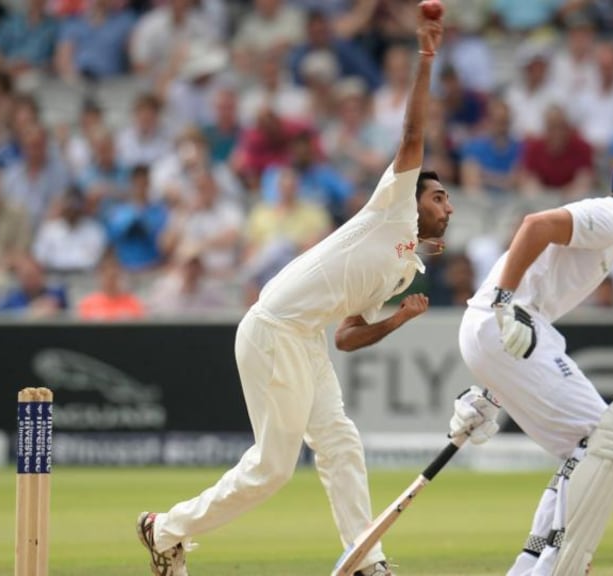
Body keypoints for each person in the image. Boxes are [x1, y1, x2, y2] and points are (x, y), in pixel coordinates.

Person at [136, 13, 451, 576]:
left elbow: (348, 336)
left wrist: (399, 320)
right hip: (274, 327)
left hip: (304, 337)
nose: (446, 206)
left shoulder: (405, 271)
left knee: (340, 444)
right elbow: (412, 137)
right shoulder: (393, 206)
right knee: (273, 469)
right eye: (439, 197)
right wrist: (426, 56)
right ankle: (165, 529)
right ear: (414, 198)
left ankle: (364, 560)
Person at [449, 145, 613, 575]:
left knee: (585, 448)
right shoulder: (611, 216)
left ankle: (533, 563)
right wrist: (506, 304)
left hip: (503, 328)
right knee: (607, 439)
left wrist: (495, 389)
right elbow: (535, 225)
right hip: (506, 319)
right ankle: (555, 564)